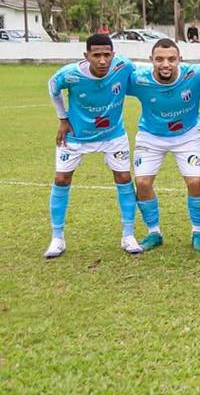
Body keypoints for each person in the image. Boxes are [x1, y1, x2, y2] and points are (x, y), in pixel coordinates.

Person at [44, 34, 140, 258]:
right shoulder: (70, 74)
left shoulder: (124, 66)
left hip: (113, 135)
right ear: (86, 56)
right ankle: (57, 238)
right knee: (61, 179)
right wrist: (62, 118)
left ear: (113, 55)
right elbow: (52, 87)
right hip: (77, 136)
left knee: (124, 178)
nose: (102, 60)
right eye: (96, 55)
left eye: (107, 55)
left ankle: (128, 235)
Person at [127, 39, 200, 252]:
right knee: (142, 183)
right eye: (159, 59)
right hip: (150, 135)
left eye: (171, 59)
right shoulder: (138, 79)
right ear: (151, 61)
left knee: (195, 181)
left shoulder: (197, 73)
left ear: (180, 60)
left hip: (187, 135)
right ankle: (153, 232)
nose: (165, 64)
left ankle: (197, 231)